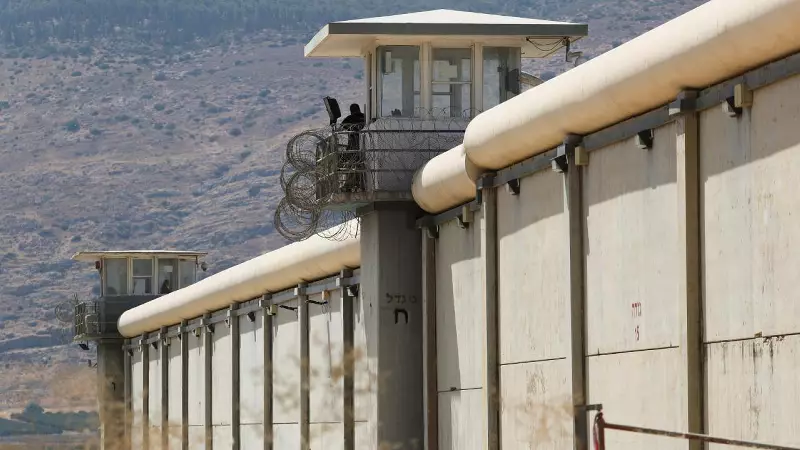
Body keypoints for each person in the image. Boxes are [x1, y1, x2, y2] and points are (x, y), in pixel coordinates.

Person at [339, 104, 366, 192]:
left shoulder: (349, 118)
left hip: (353, 146)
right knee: (362, 165)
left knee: (351, 165)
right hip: (365, 145)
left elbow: (341, 128)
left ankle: (349, 185)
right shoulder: (365, 117)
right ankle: (362, 183)